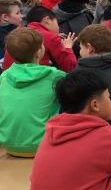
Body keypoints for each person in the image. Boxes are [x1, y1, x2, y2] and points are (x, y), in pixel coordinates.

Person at [0, 28, 65, 157]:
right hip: (42, 146)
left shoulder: (4, 76)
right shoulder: (56, 76)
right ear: (39, 51)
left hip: (8, 144)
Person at [2, 6, 77, 72]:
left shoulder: (18, 34)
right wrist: (68, 47)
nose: (58, 27)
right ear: (47, 20)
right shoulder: (51, 37)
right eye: (56, 22)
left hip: (9, 79)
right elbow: (69, 67)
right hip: (34, 81)